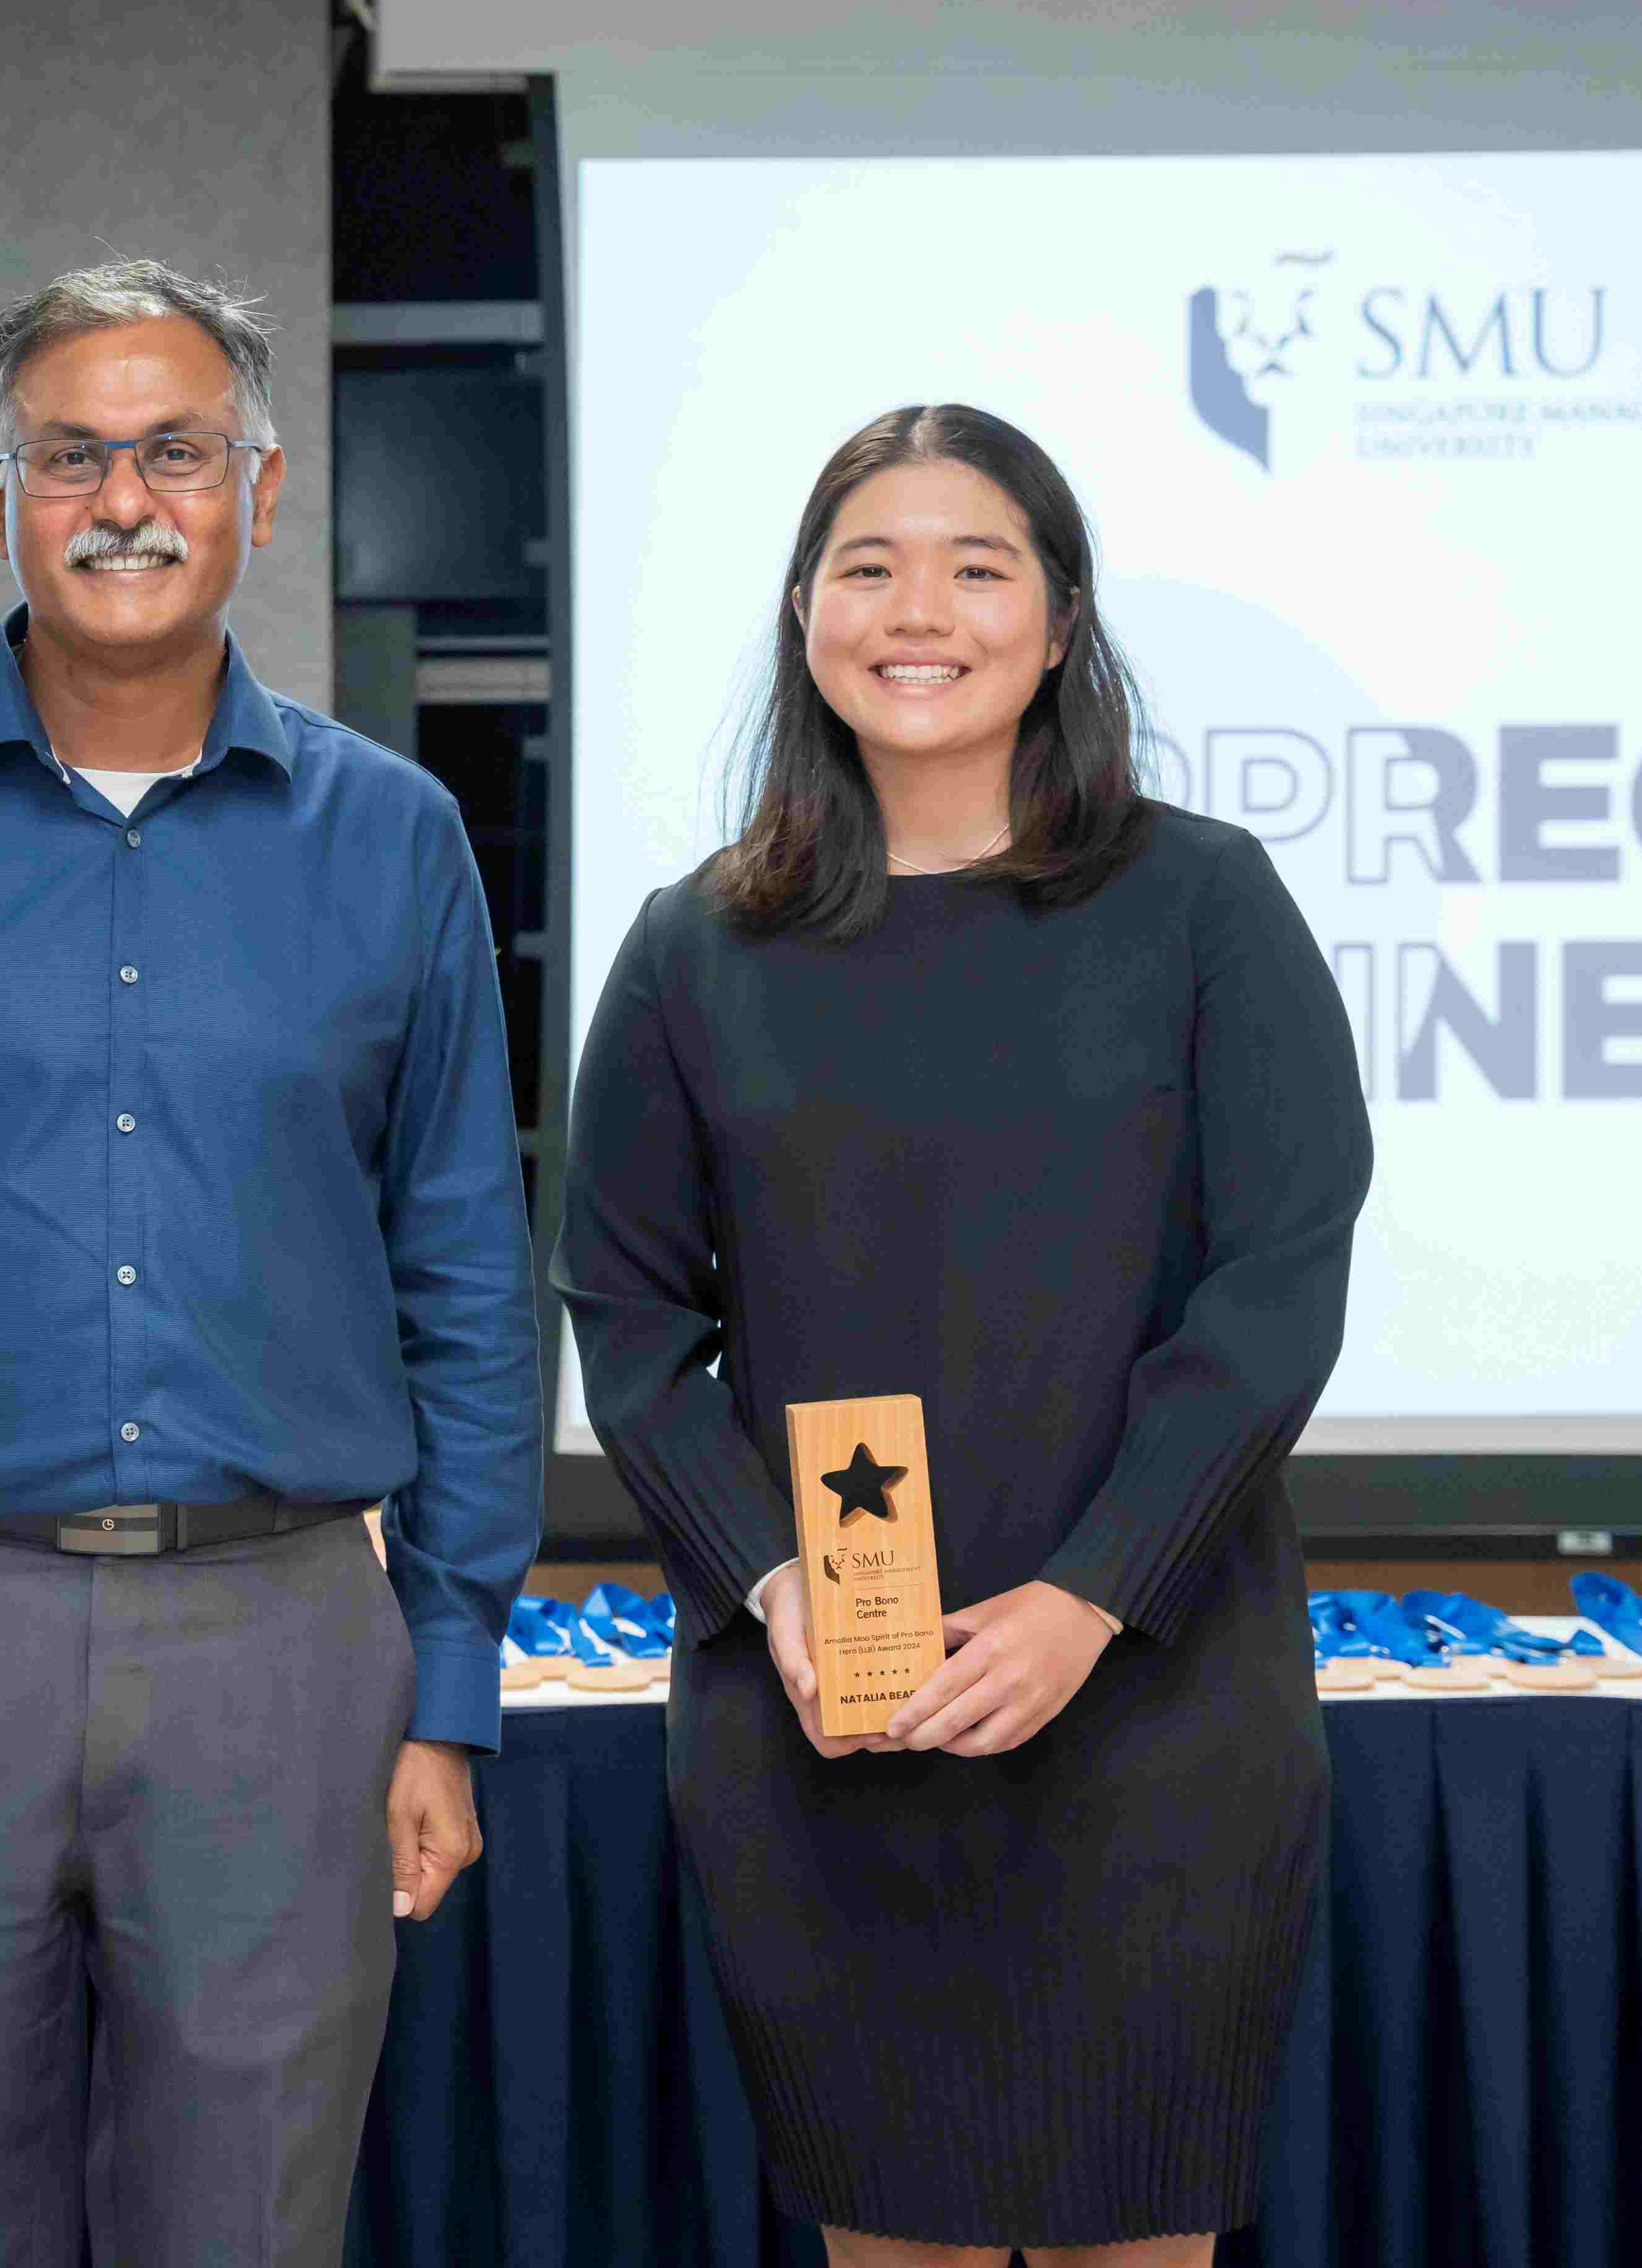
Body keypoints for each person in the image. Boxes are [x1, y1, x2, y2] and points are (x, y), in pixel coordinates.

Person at [0, 259, 543, 2267]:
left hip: (286, 1642)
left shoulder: (393, 839)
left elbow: (470, 1279)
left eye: (175, 451)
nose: (123, 497)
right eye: (70, 455)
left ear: (259, 488)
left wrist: (459, 1677)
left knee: (250, 2232)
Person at [554, 404, 1370, 2267]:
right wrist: (769, 1584)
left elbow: (1274, 1290)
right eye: (869, 564)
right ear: (802, 614)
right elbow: (624, 1315)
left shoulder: (1202, 906)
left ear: (1062, 624)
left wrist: (1094, 1595)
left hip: (1158, 1717)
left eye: (979, 565)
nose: (919, 609)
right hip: (829, 1730)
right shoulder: (699, 949)